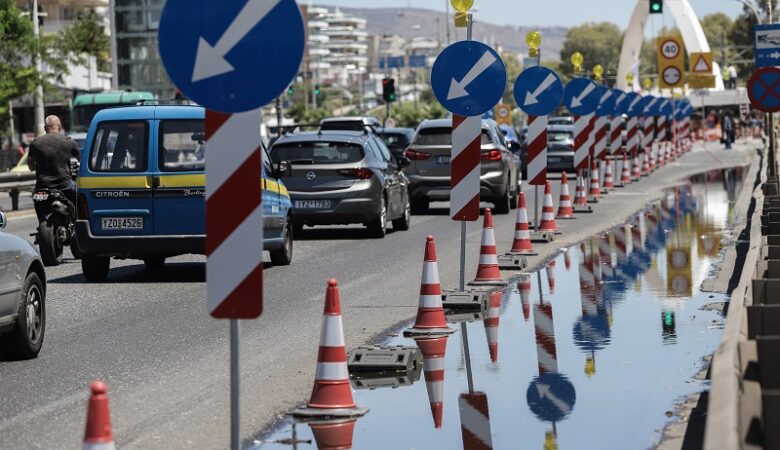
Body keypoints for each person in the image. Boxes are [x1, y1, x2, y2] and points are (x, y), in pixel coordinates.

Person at [27, 115, 80, 220]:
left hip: (42, 186)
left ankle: (41, 221)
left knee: (37, 201)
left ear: (45, 128)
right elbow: (81, 160)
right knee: (80, 198)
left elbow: (31, 165)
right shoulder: (68, 141)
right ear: (59, 127)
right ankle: (76, 223)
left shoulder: (36, 143)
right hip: (65, 186)